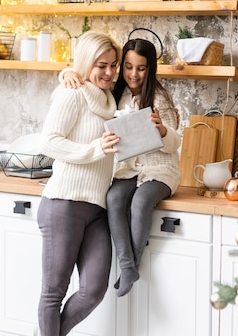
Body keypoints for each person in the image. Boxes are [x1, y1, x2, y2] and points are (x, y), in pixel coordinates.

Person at [62, 37, 181, 297]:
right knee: (114, 198)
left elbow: (174, 143)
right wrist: (68, 72)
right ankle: (128, 266)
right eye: (128, 67)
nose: (133, 74)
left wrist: (161, 130)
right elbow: (84, 79)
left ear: (150, 69)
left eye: (141, 68)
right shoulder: (114, 93)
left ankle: (129, 266)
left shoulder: (159, 97)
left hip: (159, 170)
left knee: (140, 202)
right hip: (128, 167)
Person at [37, 31, 121, 336]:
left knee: (94, 290)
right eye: (101, 65)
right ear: (87, 63)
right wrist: (94, 149)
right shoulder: (71, 92)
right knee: (53, 292)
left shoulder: (111, 98)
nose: (109, 72)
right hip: (64, 204)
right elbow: (49, 142)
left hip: (97, 208)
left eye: (113, 65)